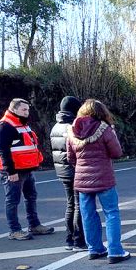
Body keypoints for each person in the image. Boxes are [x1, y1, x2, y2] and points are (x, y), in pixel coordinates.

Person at [67, 99, 129, 264]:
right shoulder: (105, 129)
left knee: (88, 214)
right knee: (111, 213)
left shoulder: (73, 130)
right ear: (101, 112)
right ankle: (115, 251)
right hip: (104, 178)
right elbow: (116, 152)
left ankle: (94, 249)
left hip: (81, 180)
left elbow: (70, 157)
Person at [0, 98, 55, 240]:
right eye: (24, 110)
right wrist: (11, 172)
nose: (27, 113)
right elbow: (3, 151)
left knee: (31, 197)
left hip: (26, 169)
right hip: (14, 171)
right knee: (13, 200)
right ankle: (14, 230)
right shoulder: (4, 126)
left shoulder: (21, 124)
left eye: (27, 110)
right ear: (14, 109)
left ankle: (34, 225)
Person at [50, 95, 87, 251]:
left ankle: (69, 239)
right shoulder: (73, 126)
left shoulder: (56, 126)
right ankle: (79, 240)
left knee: (70, 204)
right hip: (75, 169)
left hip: (62, 170)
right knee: (79, 205)